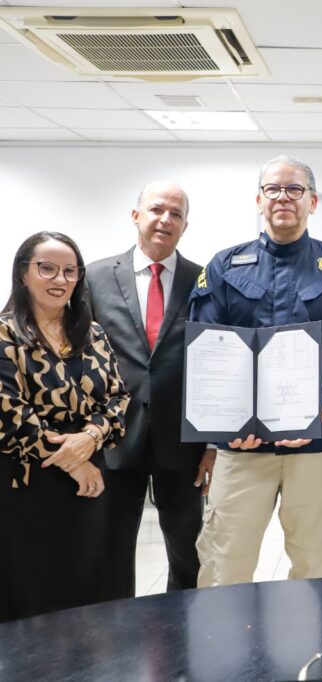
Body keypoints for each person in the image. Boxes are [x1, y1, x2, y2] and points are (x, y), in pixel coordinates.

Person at [189, 155, 322, 587]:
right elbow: (208, 354)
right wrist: (226, 423)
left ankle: (313, 653)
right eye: (273, 189)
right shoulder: (222, 267)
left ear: (313, 201)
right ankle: (222, 655)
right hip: (242, 447)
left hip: (316, 444)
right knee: (224, 567)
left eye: (295, 189)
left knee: (316, 566)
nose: (283, 197)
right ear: (258, 199)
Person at [85, 182, 213, 598]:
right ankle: (116, 636)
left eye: (176, 214)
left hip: (183, 441)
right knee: (111, 548)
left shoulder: (204, 280)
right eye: (157, 209)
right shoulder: (96, 276)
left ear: (186, 225)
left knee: (189, 551)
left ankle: (185, 635)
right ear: (136, 215)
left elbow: (215, 363)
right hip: (115, 437)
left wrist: (212, 444)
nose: (166, 219)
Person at [0, 232, 130, 621]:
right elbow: (8, 411)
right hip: (29, 482)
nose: (60, 279)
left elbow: (119, 398)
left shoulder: (91, 332)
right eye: (47, 269)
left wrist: (90, 438)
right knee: (34, 590)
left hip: (90, 484)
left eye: (70, 271)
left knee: (86, 586)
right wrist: (73, 461)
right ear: (24, 274)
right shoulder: (5, 333)